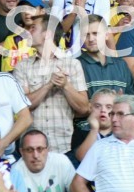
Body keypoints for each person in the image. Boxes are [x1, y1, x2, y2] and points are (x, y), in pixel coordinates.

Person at [13, 15, 89, 154]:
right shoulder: (22, 66)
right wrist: (48, 85)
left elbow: (84, 108)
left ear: (47, 34)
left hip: (63, 145)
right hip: (31, 147)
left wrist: (66, 85)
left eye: (33, 28)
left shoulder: (72, 64)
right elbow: (22, 105)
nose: (27, 32)